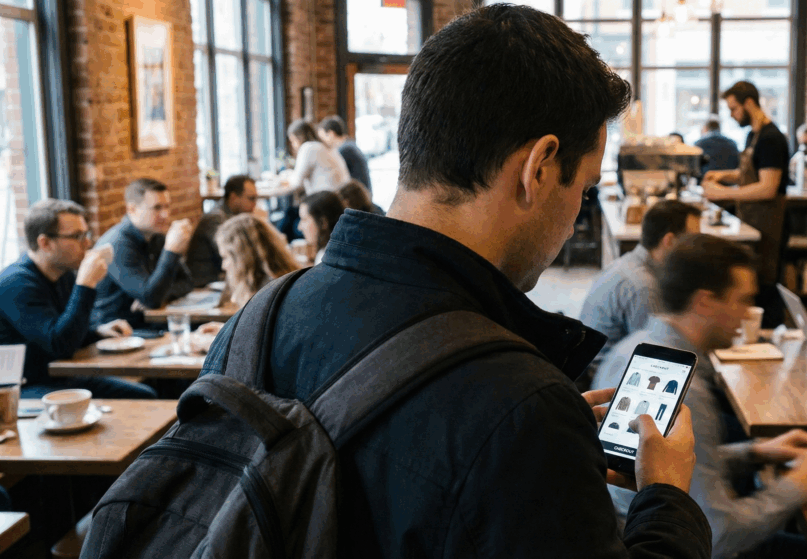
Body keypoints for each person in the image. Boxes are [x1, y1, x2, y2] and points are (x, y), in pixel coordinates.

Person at [200, 5, 710, 557]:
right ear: (538, 167)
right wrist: (665, 496)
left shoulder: (257, 318)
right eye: (583, 191)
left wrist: (549, 449)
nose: (572, 222)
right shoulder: (520, 409)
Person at [593, 234, 807, 559]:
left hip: (626, 528)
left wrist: (754, 453)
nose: (746, 315)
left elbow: (661, 464)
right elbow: (718, 537)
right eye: (741, 300)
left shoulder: (632, 349)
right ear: (704, 302)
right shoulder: (688, 392)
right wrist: (801, 484)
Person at [0, 200, 156, 399]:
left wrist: (97, 332)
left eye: (86, 234)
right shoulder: (15, 284)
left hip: (58, 377)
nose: (87, 243)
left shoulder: (63, 274)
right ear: (44, 243)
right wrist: (85, 285)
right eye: (77, 236)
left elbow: (67, 332)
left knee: (145, 394)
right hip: (20, 390)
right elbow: (59, 345)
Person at [701, 81, 791, 328]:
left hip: (769, 223)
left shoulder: (772, 138)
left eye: (734, 109)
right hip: (753, 220)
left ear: (749, 103)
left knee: (766, 285)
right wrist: (722, 176)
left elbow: (767, 187)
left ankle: (769, 338)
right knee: (754, 283)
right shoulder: (754, 134)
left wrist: (723, 194)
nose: (731, 115)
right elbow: (749, 174)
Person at [580, 200, 701, 371]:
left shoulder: (628, 264)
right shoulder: (643, 286)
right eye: (693, 240)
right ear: (670, 241)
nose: (696, 249)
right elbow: (659, 358)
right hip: (603, 381)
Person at [92, 178, 195, 329]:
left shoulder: (155, 235)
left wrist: (160, 295)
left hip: (147, 322)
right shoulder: (118, 244)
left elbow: (187, 282)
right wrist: (171, 251)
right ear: (132, 209)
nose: (165, 215)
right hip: (118, 331)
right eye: (157, 208)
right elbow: (152, 298)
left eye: (167, 206)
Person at [215, 214, 302, 307]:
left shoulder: (265, 296)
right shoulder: (282, 281)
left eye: (225, 257)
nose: (223, 266)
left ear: (243, 257)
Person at [187, 174, 259, 287]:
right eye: (251, 198)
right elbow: (236, 254)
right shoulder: (215, 218)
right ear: (234, 197)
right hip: (206, 284)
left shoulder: (233, 216)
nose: (255, 203)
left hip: (222, 280)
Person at [288, 119, 351, 195]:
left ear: (299, 137)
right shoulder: (324, 147)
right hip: (340, 198)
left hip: (326, 201)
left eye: (293, 140)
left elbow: (296, 183)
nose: (293, 145)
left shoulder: (308, 148)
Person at [318, 115, 373, 192]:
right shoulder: (349, 144)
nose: (322, 142)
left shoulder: (344, 150)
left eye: (322, 137)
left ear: (331, 134)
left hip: (357, 198)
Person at [297, 191, 345, 265]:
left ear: (322, 222)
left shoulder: (326, 259)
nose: (299, 227)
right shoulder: (342, 249)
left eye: (304, 219)